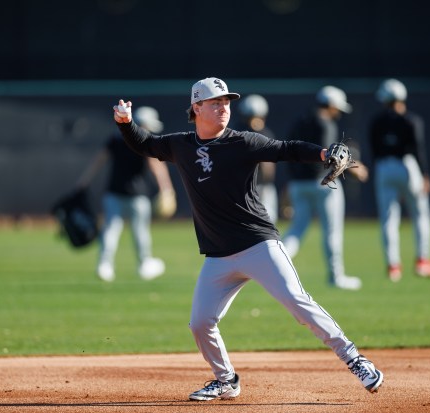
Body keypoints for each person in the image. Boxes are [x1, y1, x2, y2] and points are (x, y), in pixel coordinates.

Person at [112, 77, 383, 401]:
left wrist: (324, 152)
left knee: (298, 304)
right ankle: (225, 379)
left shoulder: (242, 142)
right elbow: (145, 144)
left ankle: (356, 359)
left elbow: (285, 150)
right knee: (200, 323)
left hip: (258, 245)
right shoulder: (180, 145)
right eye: (215, 102)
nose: (224, 107)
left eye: (226, 102)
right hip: (218, 256)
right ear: (197, 108)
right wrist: (126, 124)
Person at [282, 86, 369, 291]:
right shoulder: (325, 123)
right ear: (330, 105)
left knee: (296, 230)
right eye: (337, 108)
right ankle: (335, 277)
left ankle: (274, 267)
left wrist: (289, 183)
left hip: (298, 183)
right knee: (331, 232)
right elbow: (329, 156)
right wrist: (353, 167)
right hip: (323, 183)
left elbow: (288, 152)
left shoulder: (300, 120)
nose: (338, 113)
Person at [77, 106, 176, 282]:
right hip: (137, 195)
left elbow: (99, 160)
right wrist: (166, 188)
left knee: (111, 230)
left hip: (114, 192)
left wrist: (85, 180)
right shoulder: (143, 141)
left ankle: (104, 265)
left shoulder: (116, 139)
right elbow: (156, 166)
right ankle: (143, 264)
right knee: (139, 232)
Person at [368, 78, 430, 282]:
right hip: (408, 167)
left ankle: (393, 266)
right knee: (420, 214)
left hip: (384, 167)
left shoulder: (377, 121)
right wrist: (425, 174)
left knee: (388, 219)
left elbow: (374, 149)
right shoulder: (411, 120)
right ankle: (422, 261)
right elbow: (418, 149)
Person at [235, 94, 279, 223]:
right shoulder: (264, 134)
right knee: (267, 220)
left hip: (241, 185)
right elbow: (268, 166)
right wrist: (267, 183)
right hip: (256, 185)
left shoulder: (236, 131)